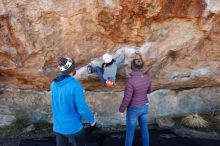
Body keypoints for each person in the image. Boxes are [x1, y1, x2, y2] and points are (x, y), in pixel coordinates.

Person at [50, 57, 96, 146]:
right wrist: (91, 120)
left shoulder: (53, 84)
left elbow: (59, 101)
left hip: (58, 126)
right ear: (72, 70)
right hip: (73, 128)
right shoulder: (75, 86)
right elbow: (82, 108)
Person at [119, 53, 152, 146]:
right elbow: (149, 91)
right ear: (142, 67)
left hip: (133, 109)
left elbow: (127, 98)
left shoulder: (131, 81)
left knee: (130, 132)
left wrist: (121, 110)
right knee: (145, 129)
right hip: (145, 106)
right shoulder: (147, 78)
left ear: (132, 67)